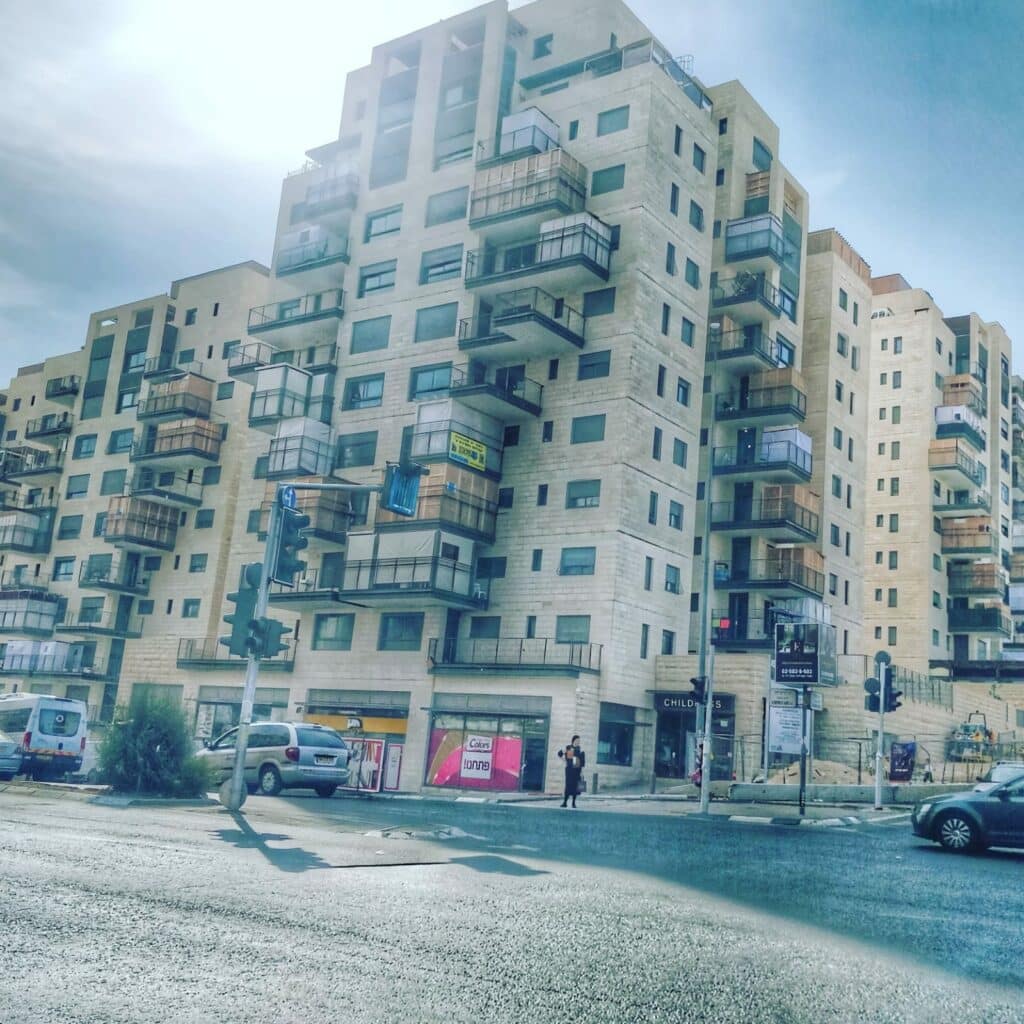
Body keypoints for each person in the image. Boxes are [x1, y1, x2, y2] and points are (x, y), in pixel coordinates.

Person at [557, 735, 585, 808]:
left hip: (577, 771)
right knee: (568, 785)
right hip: (569, 770)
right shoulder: (568, 748)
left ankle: (573, 803)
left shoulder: (580, 750)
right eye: (577, 740)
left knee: (576, 786)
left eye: (579, 741)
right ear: (573, 740)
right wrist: (564, 760)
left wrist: (582, 772)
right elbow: (559, 754)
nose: (578, 742)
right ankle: (565, 802)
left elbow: (582, 763)